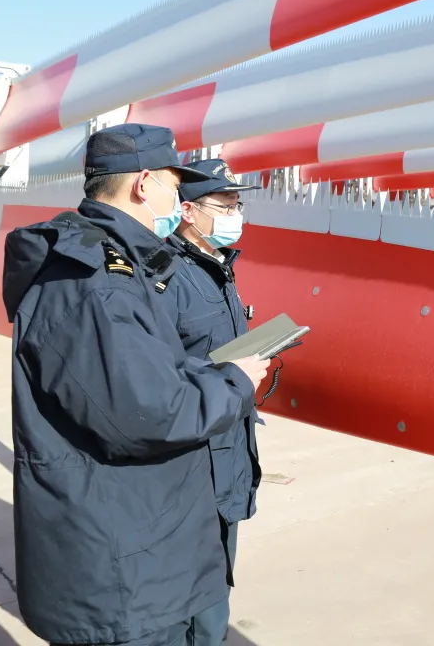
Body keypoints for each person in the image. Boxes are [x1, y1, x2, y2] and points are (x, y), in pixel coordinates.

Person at [0, 123, 270, 646]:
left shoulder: (118, 266)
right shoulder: (96, 281)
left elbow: (142, 375)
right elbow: (149, 412)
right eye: (175, 184)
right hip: (124, 566)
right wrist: (235, 382)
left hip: (143, 540)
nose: (177, 199)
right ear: (145, 184)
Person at [164, 157, 263, 644]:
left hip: (227, 451)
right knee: (191, 602)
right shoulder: (166, 275)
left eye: (237, 205)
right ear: (188, 211)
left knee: (216, 587)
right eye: (224, 206)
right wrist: (232, 375)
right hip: (195, 462)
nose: (234, 214)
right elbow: (162, 374)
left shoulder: (216, 267)